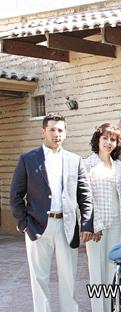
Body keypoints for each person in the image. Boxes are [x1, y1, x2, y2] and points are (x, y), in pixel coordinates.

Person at [10, 112, 93, 312]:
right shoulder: (27, 159)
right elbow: (15, 195)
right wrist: (24, 224)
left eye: (61, 130)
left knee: (68, 278)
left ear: (65, 133)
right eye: (53, 130)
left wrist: (87, 223)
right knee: (39, 279)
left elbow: (85, 195)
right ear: (44, 132)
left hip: (67, 226)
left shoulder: (75, 160)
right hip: (37, 226)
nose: (57, 134)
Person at [83, 123, 121, 312]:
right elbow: (84, 198)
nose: (109, 142)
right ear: (98, 140)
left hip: (117, 223)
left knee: (113, 269)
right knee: (97, 270)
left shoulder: (118, 166)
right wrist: (92, 224)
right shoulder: (87, 164)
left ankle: (113, 308)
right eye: (105, 138)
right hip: (97, 226)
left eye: (113, 139)